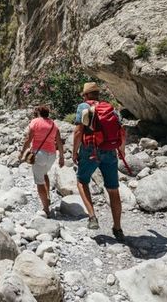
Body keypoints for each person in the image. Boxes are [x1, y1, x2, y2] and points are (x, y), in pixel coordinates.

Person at [72, 82, 127, 241]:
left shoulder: (83, 107)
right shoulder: (110, 108)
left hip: (91, 149)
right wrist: (121, 151)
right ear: (98, 94)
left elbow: (78, 132)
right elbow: (122, 132)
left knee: (82, 181)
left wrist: (74, 152)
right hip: (110, 150)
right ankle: (118, 229)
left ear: (85, 95)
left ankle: (92, 217)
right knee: (113, 189)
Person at [18, 104, 65, 215]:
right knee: (45, 173)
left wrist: (21, 152)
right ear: (48, 113)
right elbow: (59, 141)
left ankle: (46, 209)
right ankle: (47, 196)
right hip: (52, 154)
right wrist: (62, 157)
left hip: (39, 154)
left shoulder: (35, 122)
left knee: (39, 182)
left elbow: (28, 139)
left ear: (38, 112)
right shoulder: (54, 124)